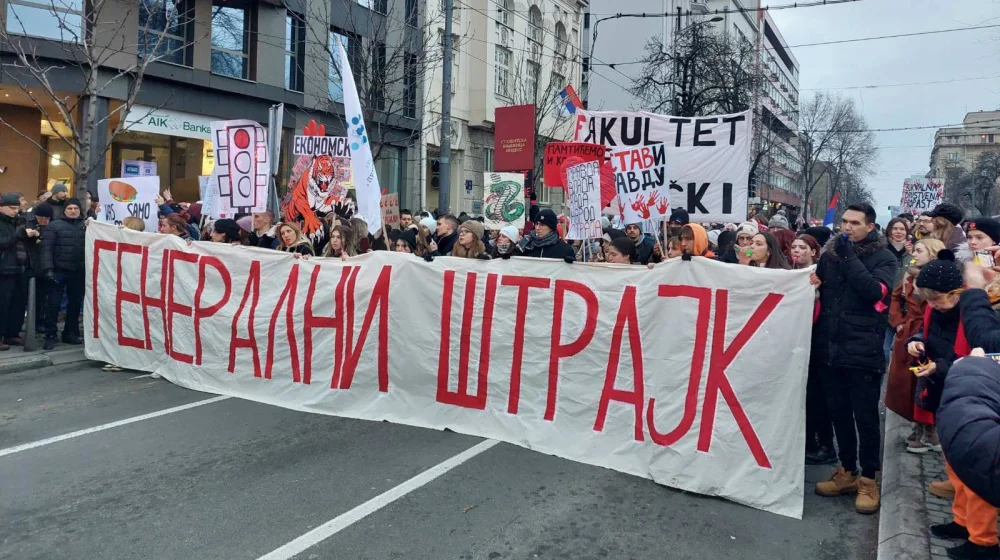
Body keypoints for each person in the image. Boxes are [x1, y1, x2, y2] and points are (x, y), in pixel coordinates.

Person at [814, 203, 898, 514]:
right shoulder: (829, 256)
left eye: (855, 223)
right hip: (830, 349)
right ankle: (847, 470)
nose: (847, 228)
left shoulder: (885, 257)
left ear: (870, 227)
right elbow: (818, 287)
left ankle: (868, 479)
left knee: (865, 419)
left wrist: (849, 257)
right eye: (844, 222)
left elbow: (874, 292)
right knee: (839, 415)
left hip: (863, 351)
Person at [886, 238, 945, 453]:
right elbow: (894, 299)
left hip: (928, 334)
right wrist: (898, 322)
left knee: (926, 382)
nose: (914, 253)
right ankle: (917, 425)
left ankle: (928, 429)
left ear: (932, 253)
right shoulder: (908, 276)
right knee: (905, 383)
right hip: (908, 335)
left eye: (920, 250)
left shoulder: (939, 278)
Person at [791, 234, 836, 464]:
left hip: (817, 346)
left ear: (813, 252)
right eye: (794, 247)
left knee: (818, 397)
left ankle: (826, 445)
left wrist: (819, 290)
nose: (797, 251)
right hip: (794, 345)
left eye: (802, 247)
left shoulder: (821, 276)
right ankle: (808, 442)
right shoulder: (786, 275)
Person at [40, 197, 87, 350]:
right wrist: (48, 269)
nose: (73, 211)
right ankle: (50, 335)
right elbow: (46, 249)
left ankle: (70, 333)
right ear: (64, 210)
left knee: (75, 304)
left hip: (78, 271)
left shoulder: (86, 226)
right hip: (58, 271)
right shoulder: (54, 226)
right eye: (70, 208)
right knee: (53, 305)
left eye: (76, 209)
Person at [0, 193, 32, 350]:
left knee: (18, 304)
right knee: (3, 304)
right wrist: (19, 234)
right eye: (12, 208)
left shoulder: (19, 221)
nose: (14, 211)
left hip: (20, 266)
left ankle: (12, 333)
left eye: (16, 208)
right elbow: (3, 242)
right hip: (4, 268)